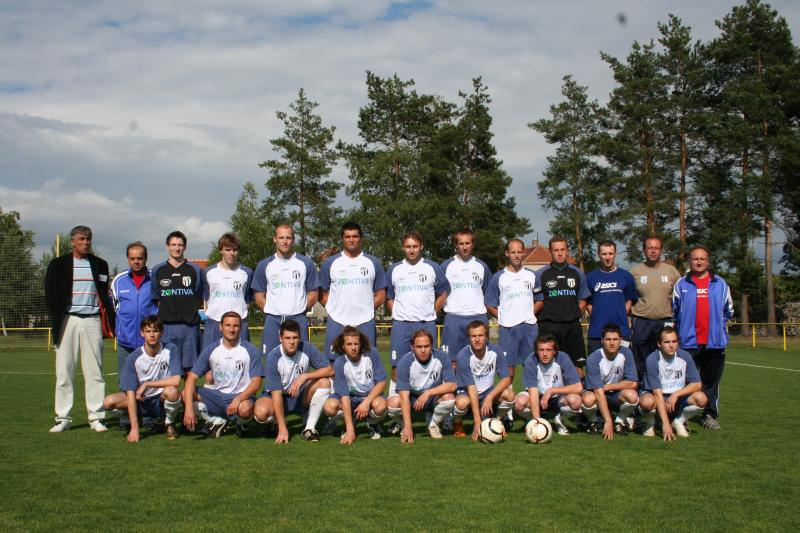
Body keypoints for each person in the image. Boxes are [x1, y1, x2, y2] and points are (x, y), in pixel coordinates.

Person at [45, 225, 116, 433]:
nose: (86, 243)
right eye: (82, 239)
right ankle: (63, 418)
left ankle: (96, 417)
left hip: (92, 321)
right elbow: (50, 293)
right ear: (73, 241)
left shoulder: (100, 264)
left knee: (95, 371)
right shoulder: (58, 265)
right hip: (68, 320)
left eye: (88, 240)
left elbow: (103, 293)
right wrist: (58, 314)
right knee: (64, 371)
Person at [672, 245, 733, 431]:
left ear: (708, 261)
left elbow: (728, 310)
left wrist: (718, 328)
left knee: (711, 382)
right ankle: (682, 415)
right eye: (695, 259)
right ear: (690, 261)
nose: (698, 262)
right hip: (689, 342)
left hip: (714, 342)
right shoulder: (681, 284)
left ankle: (709, 415)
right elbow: (674, 311)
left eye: (702, 259)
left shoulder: (720, 284)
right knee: (683, 381)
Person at [385, 231, 449, 393]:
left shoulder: (432, 267)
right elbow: (389, 297)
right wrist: (399, 314)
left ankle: (431, 403)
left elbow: (444, 292)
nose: (411, 250)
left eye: (415, 246)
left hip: (425, 324)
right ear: (403, 248)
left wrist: (431, 311)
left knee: (430, 366)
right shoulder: (394, 269)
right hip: (401, 326)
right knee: (397, 366)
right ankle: (395, 405)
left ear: (421, 247)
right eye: (408, 247)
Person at [182, 312, 263, 438]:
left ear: (240, 328)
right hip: (217, 396)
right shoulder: (211, 349)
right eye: (228, 325)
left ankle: (242, 425)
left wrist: (238, 399)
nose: (231, 329)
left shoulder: (250, 350)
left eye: (235, 326)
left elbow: (256, 383)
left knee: (245, 409)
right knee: (185, 393)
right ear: (220, 327)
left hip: (241, 397)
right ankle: (215, 421)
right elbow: (191, 378)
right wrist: (188, 409)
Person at [102, 316, 183, 442]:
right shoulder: (134, 357)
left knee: (172, 392)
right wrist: (135, 428)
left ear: (161, 333)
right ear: (142, 333)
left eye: (155, 331)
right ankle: (135, 419)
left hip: (160, 399)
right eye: (148, 331)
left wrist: (147, 384)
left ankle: (168, 422)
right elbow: (130, 393)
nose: (152, 335)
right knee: (108, 402)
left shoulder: (170, 349)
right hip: (141, 401)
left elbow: (176, 380)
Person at [253, 319, 333, 443]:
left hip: (299, 395)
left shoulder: (307, 348)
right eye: (287, 338)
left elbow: (330, 370)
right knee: (261, 412)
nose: (291, 342)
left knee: (324, 382)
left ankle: (309, 428)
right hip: (278, 396)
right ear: (281, 338)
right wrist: (283, 428)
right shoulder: (273, 358)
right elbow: (276, 395)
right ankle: (274, 423)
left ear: (299, 338)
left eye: (295, 338)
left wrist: (305, 376)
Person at [319, 221, 386, 357]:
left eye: (355, 236)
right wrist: (333, 308)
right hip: (337, 321)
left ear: (361, 238)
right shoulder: (330, 263)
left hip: (365, 321)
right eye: (348, 236)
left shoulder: (373, 262)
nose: (351, 239)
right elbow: (321, 292)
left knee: (367, 362)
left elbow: (381, 294)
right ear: (342, 239)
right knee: (333, 364)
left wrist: (367, 308)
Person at [111, 241, 158, 429]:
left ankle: (149, 418)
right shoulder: (118, 280)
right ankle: (126, 417)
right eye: (132, 258)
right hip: (126, 340)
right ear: (128, 259)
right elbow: (115, 307)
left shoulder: (155, 278)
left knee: (149, 381)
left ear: (145, 258)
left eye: (140, 258)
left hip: (149, 342)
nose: (136, 262)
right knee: (125, 379)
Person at [252, 224, 319, 355]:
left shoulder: (305, 263)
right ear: (274, 239)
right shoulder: (264, 265)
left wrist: (298, 310)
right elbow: (258, 296)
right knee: (269, 360)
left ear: (293, 239)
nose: (285, 241)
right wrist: (273, 310)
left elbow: (313, 294)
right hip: (273, 320)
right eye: (281, 237)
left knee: (301, 360)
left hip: (298, 319)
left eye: (288, 237)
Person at [386, 330, 457, 442]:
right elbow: (404, 397)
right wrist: (409, 427)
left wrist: (428, 393)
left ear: (432, 346)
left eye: (426, 346)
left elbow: (452, 385)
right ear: (412, 347)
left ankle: (432, 424)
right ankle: (402, 423)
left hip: (431, 397)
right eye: (419, 347)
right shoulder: (404, 362)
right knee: (393, 404)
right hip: (411, 397)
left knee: (449, 398)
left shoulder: (442, 357)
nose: (423, 350)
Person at [485, 238, 540, 380]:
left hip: (529, 328)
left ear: (523, 253)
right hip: (508, 329)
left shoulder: (532, 275)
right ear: (507, 253)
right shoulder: (498, 277)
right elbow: (489, 304)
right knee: (508, 370)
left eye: (519, 252)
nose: (516, 255)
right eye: (513, 252)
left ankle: (531, 399)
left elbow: (540, 300)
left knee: (531, 367)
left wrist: (528, 315)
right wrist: (503, 318)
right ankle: (508, 399)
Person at [639, 326, 708, 440]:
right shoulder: (652, 359)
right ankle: (650, 423)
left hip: (676, 397)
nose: (671, 345)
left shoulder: (685, 356)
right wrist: (665, 425)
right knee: (647, 402)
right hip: (656, 396)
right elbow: (657, 393)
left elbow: (697, 384)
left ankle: (678, 421)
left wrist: (676, 394)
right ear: (659, 344)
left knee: (701, 398)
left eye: (674, 341)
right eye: (667, 342)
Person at [323, 326, 388, 444]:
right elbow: (345, 397)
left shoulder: (372, 353)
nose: (353, 348)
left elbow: (382, 383)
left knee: (381, 405)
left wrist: (366, 402)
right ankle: (349, 424)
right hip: (350, 398)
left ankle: (371, 423)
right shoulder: (339, 363)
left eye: (356, 344)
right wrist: (350, 431)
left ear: (361, 344)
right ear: (343, 346)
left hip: (369, 396)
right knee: (329, 407)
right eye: (349, 344)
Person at [151, 230, 204, 375]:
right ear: (167, 247)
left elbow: (199, 296)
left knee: (190, 371)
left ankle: (188, 398)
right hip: (167, 328)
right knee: (167, 369)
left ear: (185, 247)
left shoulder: (195, 270)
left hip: (189, 327)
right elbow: (157, 299)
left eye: (180, 245)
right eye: (173, 244)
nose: (177, 248)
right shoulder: (157, 270)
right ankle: (169, 398)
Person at [452, 321, 515, 441]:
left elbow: (506, 379)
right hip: (468, 393)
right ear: (469, 338)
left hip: (487, 392)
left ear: (486, 337)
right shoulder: (463, 356)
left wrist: (490, 397)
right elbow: (471, 388)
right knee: (461, 403)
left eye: (480, 335)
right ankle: (457, 422)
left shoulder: (496, 351)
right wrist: (477, 423)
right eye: (473, 336)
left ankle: (496, 422)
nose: (477, 339)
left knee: (510, 395)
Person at [533, 236, 590, 369]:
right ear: (550, 252)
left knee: (577, 367)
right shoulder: (540, 274)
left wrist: (573, 314)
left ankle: (576, 389)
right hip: (548, 327)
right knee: (548, 366)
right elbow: (536, 301)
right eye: (556, 250)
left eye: (562, 249)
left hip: (572, 327)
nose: (559, 253)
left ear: (567, 251)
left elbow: (583, 299)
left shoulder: (578, 273)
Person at [629, 236, 681, 380]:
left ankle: (665, 386)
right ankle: (642, 387)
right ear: (644, 250)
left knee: (665, 355)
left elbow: (681, 296)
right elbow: (627, 298)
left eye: (656, 248)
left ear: (661, 250)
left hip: (665, 321)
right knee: (640, 356)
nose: (653, 251)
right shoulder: (634, 272)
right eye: (650, 248)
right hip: (641, 321)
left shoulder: (672, 271)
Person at [512, 335, 583, 436]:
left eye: (549, 350)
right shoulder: (531, 360)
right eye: (541, 350)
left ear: (554, 351)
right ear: (536, 351)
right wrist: (538, 423)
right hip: (537, 396)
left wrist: (551, 391)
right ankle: (532, 420)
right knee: (519, 403)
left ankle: (559, 419)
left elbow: (579, 387)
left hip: (558, 398)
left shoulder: (562, 358)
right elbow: (533, 393)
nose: (545, 354)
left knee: (576, 401)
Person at [581, 323, 639, 439]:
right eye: (608, 339)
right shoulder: (593, 358)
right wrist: (608, 420)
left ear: (621, 340)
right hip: (596, 394)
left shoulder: (626, 353)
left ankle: (619, 421)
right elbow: (598, 391)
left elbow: (633, 383)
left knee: (632, 396)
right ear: (602, 340)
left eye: (615, 339)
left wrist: (607, 387)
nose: (612, 343)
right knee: (588, 399)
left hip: (615, 394)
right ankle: (593, 421)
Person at [440, 228, 491, 360]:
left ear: (473, 244)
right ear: (456, 245)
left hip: (477, 317)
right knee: (451, 362)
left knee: (480, 360)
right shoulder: (446, 266)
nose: (465, 247)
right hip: (454, 319)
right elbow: (439, 293)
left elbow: (488, 293)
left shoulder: (482, 266)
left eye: (467, 243)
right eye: (461, 244)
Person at [201, 232, 253, 348]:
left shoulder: (247, 273)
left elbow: (247, 299)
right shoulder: (208, 272)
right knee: (210, 363)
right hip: (214, 323)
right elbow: (206, 298)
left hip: (239, 324)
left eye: (235, 250)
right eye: (228, 249)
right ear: (221, 250)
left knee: (242, 362)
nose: (232, 253)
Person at [585, 240, 637, 354]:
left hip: (621, 332)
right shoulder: (590, 277)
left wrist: (622, 313)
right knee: (596, 369)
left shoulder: (626, 276)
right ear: (599, 255)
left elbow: (629, 300)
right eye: (604, 254)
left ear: (615, 254)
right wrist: (595, 314)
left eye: (610, 253)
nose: (607, 257)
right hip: (597, 333)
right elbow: (587, 302)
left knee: (623, 368)